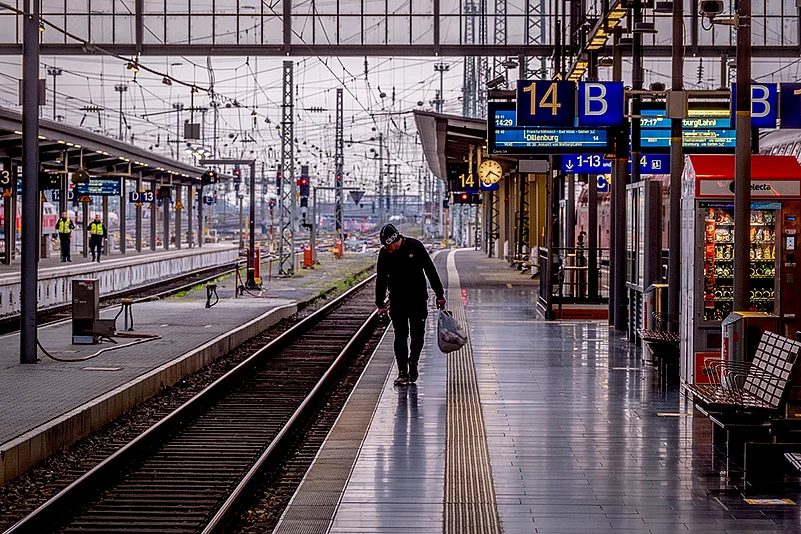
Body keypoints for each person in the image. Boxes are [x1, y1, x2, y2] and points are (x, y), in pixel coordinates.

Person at [375, 223, 446, 387]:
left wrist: (439, 294)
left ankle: (413, 361)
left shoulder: (415, 247)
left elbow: (430, 270)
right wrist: (380, 303)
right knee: (400, 336)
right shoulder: (384, 254)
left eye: (388, 245)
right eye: (384, 246)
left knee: (417, 335)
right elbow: (381, 279)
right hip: (397, 301)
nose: (387, 249)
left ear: (396, 240)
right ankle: (402, 373)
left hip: (418, 299)